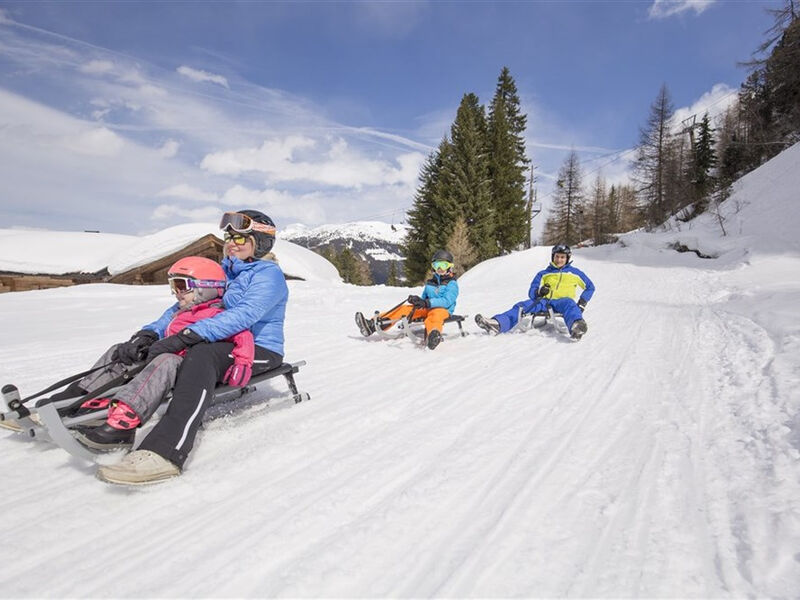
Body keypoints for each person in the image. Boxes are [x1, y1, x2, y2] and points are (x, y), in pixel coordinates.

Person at [96, 209, 288, 485]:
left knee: (200, 355)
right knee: (136, 350)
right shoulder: (223, 271)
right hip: (218, 342)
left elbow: (244, 315)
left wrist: (188, 335)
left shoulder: (268, 276)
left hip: (257, 350)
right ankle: (83, 408)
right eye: (229, 237)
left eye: (241, 239)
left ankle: (165, 452)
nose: (232, 243)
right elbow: (183, 307)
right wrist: (150, 333)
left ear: (259, 243)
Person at [73, 257, 255, 452]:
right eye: (173, 286)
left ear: (207, 287)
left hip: (183, 366)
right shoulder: (180, 312)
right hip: (161, 357)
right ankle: (91, 399)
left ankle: (124, 423)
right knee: (120, 351)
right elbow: (160, 329)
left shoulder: (215, 314)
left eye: (181, 286)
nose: (176, 293)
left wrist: (243, 363)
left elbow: (243, 336)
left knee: (165, 361)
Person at [474, 243, 595, 340]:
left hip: (563, 302)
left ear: (567, 258)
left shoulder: (575, 273)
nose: (559, 259)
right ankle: (498, 324)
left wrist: (582, 303)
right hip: (544, 301)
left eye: (562, 257)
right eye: (557, 256)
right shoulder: (543, 274)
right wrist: (539, 293)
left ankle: (576, 326)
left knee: (570, 305)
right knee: (522, 306)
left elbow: (590, 287)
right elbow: (532, 291)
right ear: (553, 257)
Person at [354, 249, 459, 350]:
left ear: (450, 267)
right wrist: (417, 301)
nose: (440, 268)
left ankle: (433, 336)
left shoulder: (452, 284)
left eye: (443, 265)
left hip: (443, 310)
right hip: (428, 307)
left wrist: (427, 303)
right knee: (404, 309)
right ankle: (371, 325)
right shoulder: (430, 283)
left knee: (435, 315)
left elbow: (447, 301)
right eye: (437, 265)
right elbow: (424, 298)